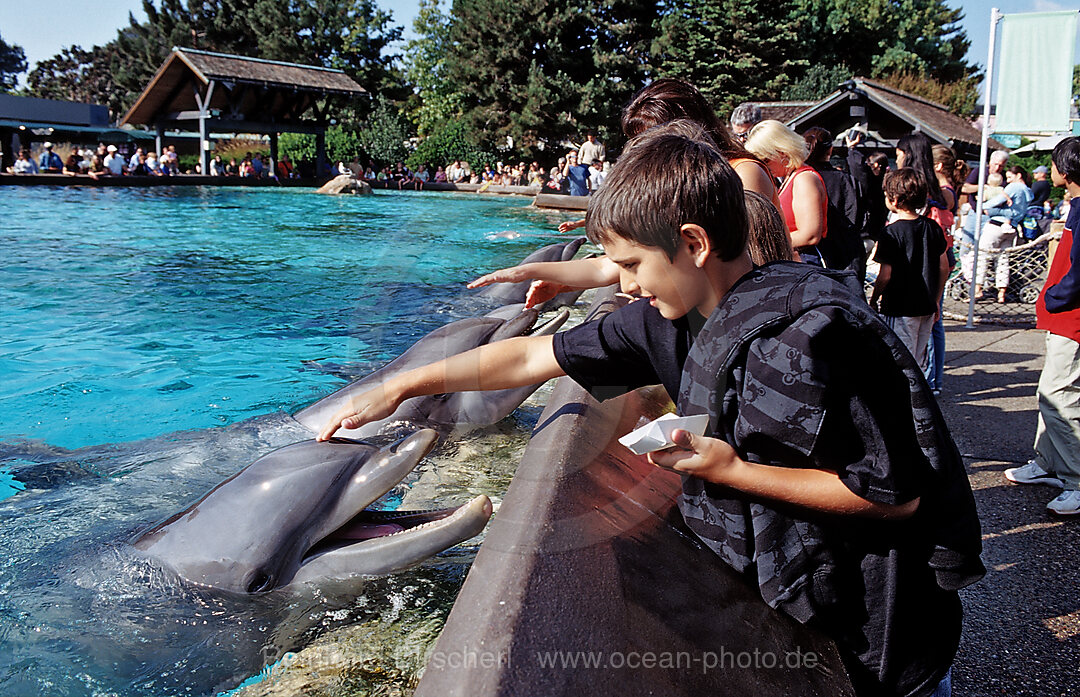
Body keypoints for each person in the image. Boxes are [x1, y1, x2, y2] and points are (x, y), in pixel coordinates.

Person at [325, 122, 983, 697]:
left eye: (632, 264)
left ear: (693, 243)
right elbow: (530, 359)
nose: (626, 285)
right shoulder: (663, 322)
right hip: (804, 600)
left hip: (886, 621)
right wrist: (401, 384)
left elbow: (895, 499)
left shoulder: (815, 335)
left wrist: (731, 470)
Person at [1006, 137, 1080, 515]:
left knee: (1058, 396)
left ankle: (1076, 479)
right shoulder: (1076, 205)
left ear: (1064, 170)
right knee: (1053, 392)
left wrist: (1054, 297)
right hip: (1066, 317)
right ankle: (1048, 462)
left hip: (1073, 318)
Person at [870, 168, 950, 372]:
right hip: (926, 305)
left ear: (894, 200)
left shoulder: (891, 233)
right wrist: (936, 299)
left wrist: (874, 297)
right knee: (919, 359)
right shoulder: (932, 228)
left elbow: (885, 275)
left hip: (899, 306)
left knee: (900, 361)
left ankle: (905, 402)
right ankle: (920, 399)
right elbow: (944, 266)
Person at [745, 120, 828, 266]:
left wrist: (767, 245)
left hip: (805, 262)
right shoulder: (791, 178)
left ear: (782, 152)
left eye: (765, 160)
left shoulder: (804, 179)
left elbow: (809, 235)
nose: (763, 167)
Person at [803, 126, 868, 279]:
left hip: (813, 255)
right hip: (848, 252)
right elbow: (859, 217)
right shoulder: (846, 180)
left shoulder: (800, 179)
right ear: (830, 150)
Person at [971, 166, 1033, 303]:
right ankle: (1001, 292)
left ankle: (977, 289)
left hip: (995, 226)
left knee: (982, 256)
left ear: (1018, 176)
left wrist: (983, 205)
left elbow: (996, 201)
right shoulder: (1028, 191)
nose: (1008, 181)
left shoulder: (1014, 187)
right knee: (1003, 260)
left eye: (1010, 177)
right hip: (1012, 227)